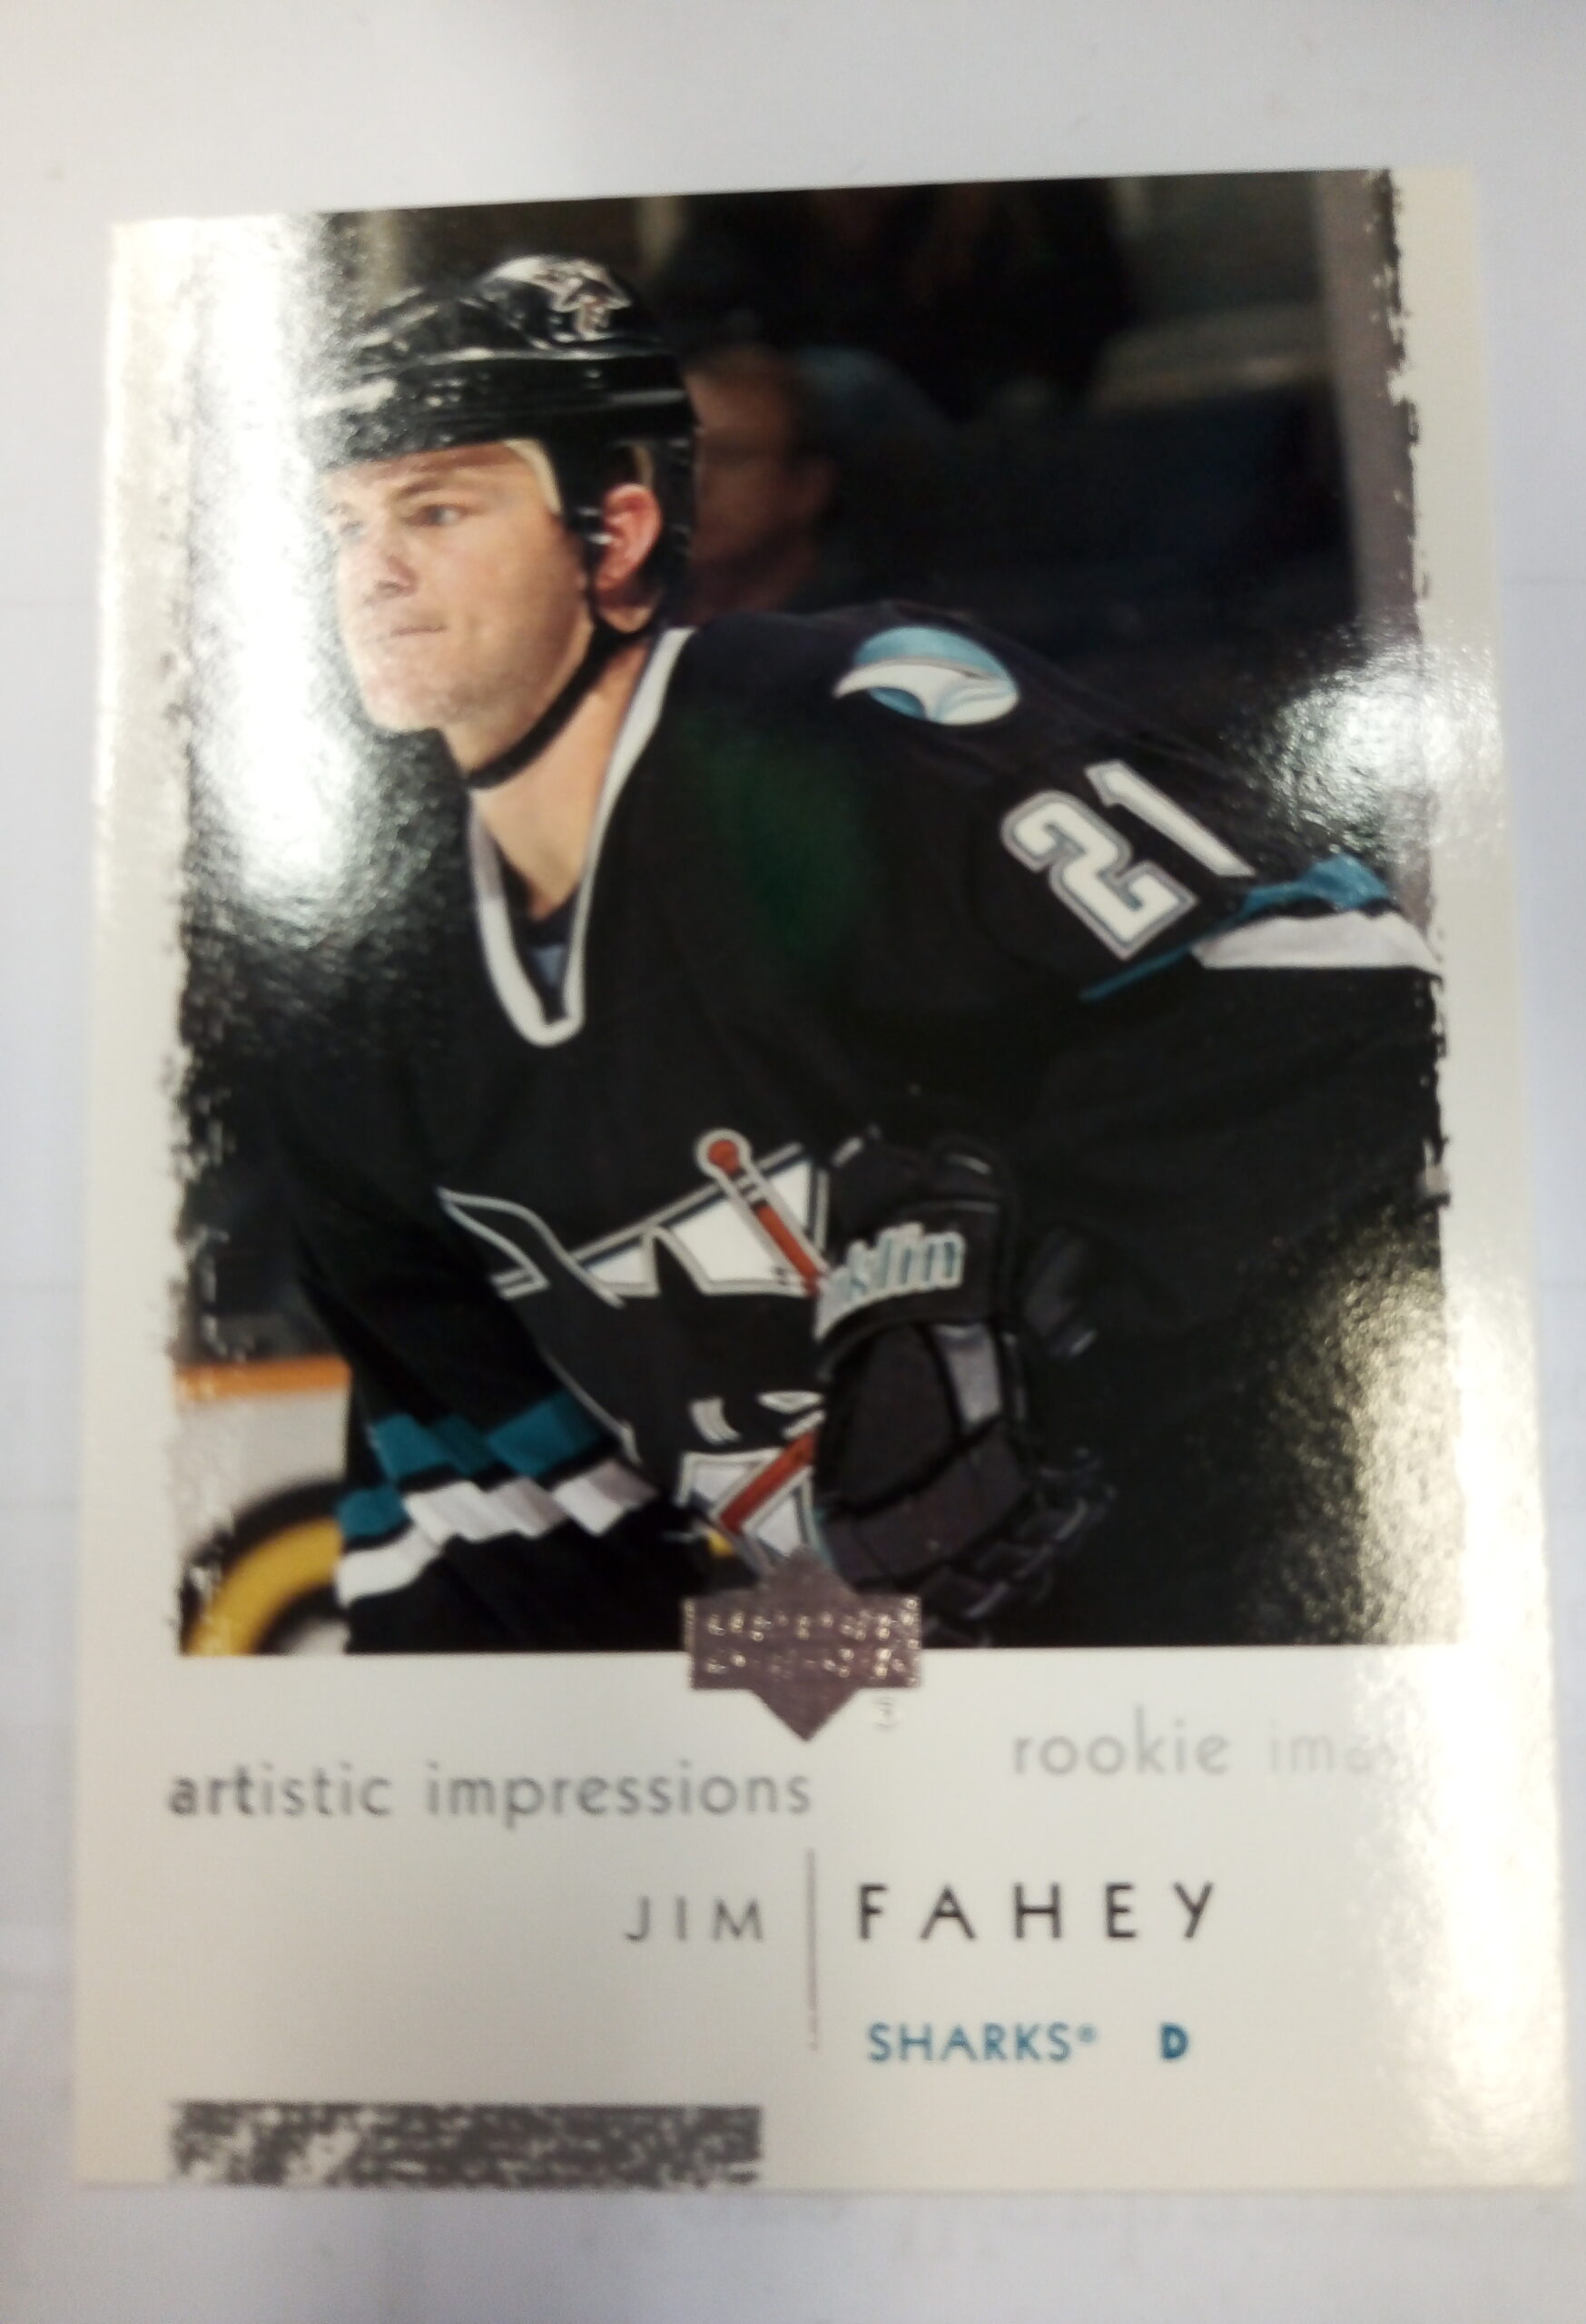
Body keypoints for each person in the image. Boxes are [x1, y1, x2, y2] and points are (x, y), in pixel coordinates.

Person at [276, 252, 1447, 1655]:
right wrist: (779, 1709)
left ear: (616, 533)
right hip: (879, 1698)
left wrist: (1041, 1293)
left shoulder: (840, 725)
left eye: (435, 508)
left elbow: (1340, 983)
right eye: (342, 525)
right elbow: (484, 1513)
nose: (373, 572)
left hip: (1214, 1636)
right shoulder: (356, 990)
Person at [680, 345, 842, 621]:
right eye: (681, 454)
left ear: (808, 488)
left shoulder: (861, 634)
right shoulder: (627, 616)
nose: (695, 481)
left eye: (731, 456)